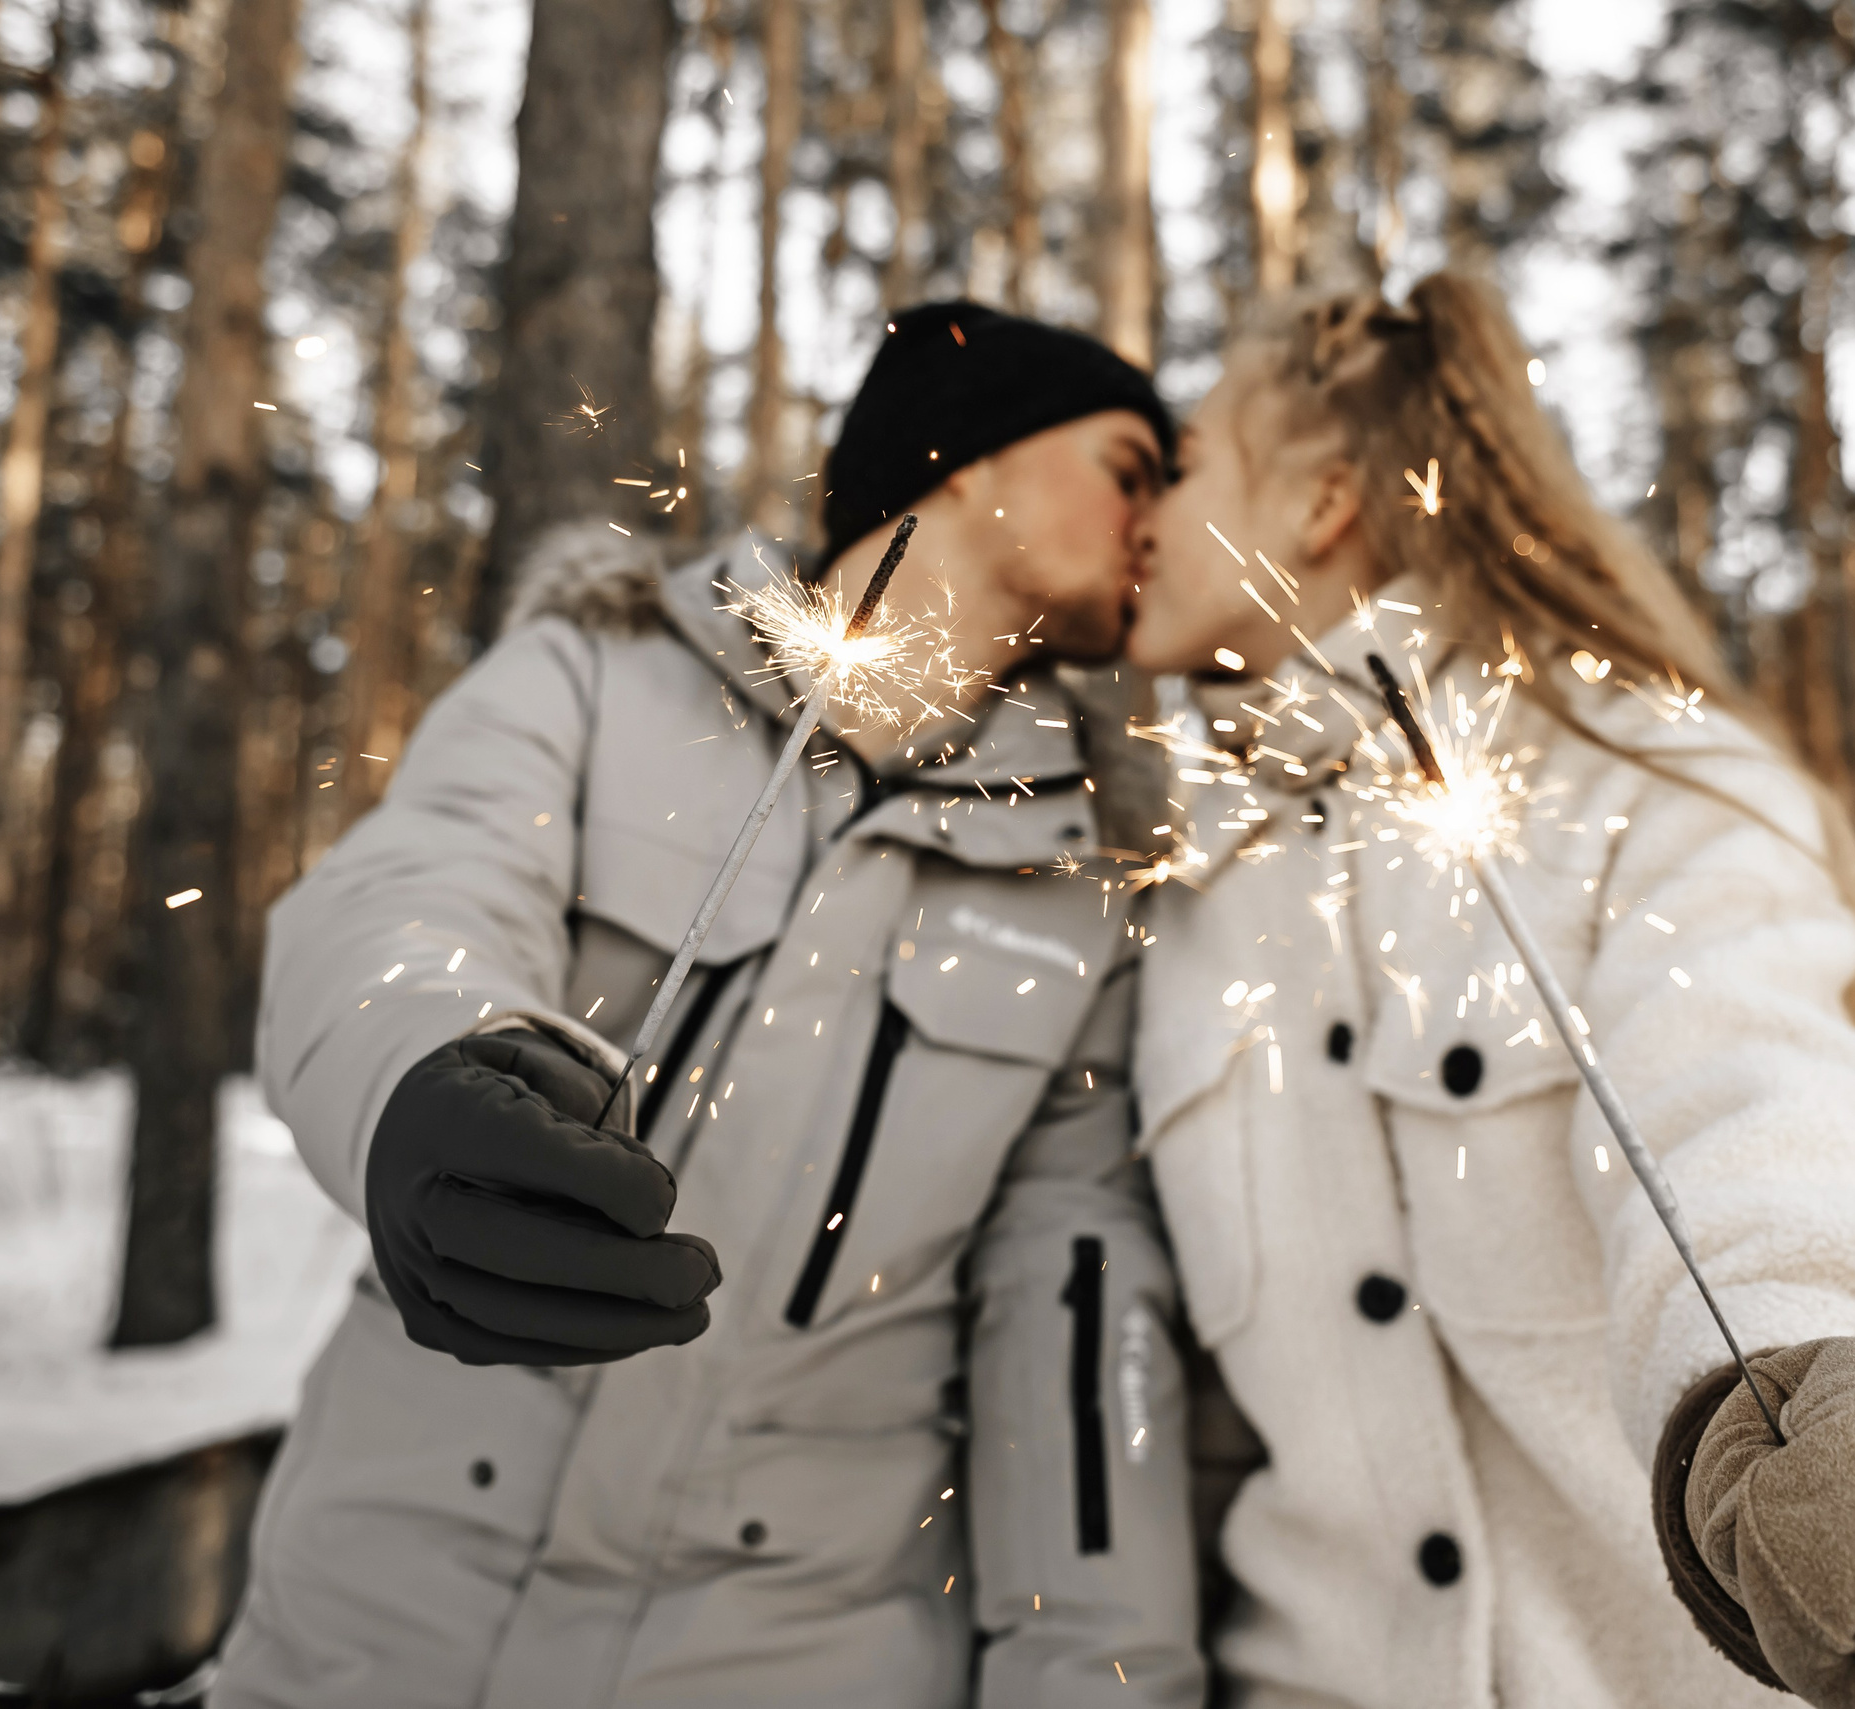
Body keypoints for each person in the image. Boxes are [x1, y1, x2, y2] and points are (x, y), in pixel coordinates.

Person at [213, 304, 1202, 1709]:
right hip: (383, 1628)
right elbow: (408, 896)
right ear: (971, 455)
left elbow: (1075, 1297)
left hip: (789, 1649)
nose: (1160, 514)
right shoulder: (599, 672)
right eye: (1128, 465)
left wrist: (1105, 1677)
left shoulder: (1083, 874)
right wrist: (418, 1079)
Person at [1120, 274, 1855, 1709]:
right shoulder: (1190, 902)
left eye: (1180, 465)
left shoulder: (1647, 788)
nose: (1142, 514)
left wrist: (1813, 1372)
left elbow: (1754, 1092)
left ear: (1320, 505)